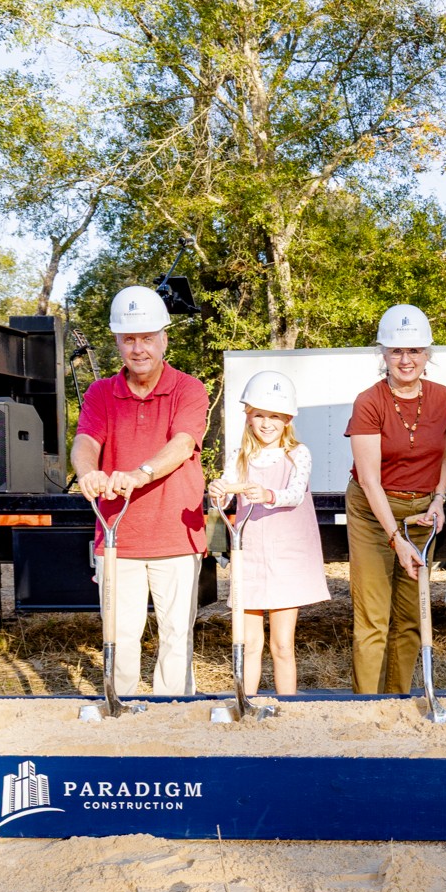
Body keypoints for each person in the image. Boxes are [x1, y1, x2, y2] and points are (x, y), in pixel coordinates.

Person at [71, 285, 209, 696]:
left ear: (164, 339)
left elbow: (183, 444)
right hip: (118, 536)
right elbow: (85, 441)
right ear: (117, 342)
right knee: (119, 637)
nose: (138, 348)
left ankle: (174, 718)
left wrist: (139, 474)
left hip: (176, 536)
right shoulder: (101, 392)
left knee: (176, 636)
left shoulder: (188, 388)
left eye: (147, 338)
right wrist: (87, 473)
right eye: (129, 339)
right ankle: (122, 716)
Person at [344, 305, 446, 695]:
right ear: (383, 354)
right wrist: (395, 539)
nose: (406, 359)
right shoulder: (369, 401)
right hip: (372, 512)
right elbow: (370, 480)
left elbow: (444, 459)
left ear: (427, 354)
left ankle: (397, 700)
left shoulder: (442, 398)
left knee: (412, 616)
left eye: (414, 350)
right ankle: (366, 704)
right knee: (373, 618)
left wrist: (439, 500)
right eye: (396, 351)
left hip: (421, 513)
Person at [208, 371, 329, 696]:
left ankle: (286, 708)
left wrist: (267, 494)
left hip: (286, 558)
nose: (266, 423)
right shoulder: (239, 456)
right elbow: (224, 497)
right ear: (248, 416)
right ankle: (246, 704)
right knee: (248, 644)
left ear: (288, 419)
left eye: (275, 416)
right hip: (250, 558)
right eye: (259, 415)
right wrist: (218, 491)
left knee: (282, 645)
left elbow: (295, 493)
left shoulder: (298, 453)